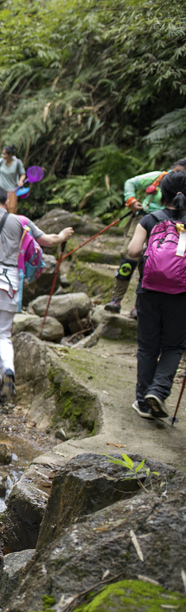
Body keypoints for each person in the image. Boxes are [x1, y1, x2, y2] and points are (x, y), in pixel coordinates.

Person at [0, 187, 74, 401]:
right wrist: (63, 235)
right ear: (7, 204)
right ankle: (7, 370)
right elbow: (47, 240)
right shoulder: (21, 221)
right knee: (2, 335)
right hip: (10, 281)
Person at [125, 170, 186, 420]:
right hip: (182, 294)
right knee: (173, 346)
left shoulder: (150, 219)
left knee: (148, 347)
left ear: (163, 193)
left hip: (148, 292)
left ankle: (143, 401)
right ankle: (159, 391)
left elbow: (133, 251)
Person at [105, 158, 186, 317]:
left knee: (152, 264)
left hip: (171, 226)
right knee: (128, 260)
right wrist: (131, 200)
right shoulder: (159, 177)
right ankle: (116, 299)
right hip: (143, 220)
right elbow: (131, 182)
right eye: (176, 173)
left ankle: (137, 305)